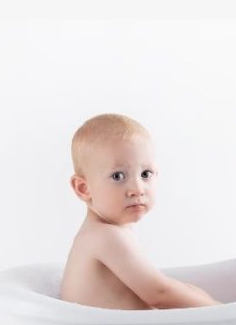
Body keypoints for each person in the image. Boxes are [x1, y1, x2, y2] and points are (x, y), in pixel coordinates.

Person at [59, 113, 221, 310]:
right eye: (118, 176)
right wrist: (223, 311)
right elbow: (159, 294)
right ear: (84, 188)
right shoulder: (104, 236)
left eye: (146, 174)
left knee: (190, 290)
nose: (137, 188)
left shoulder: (105, 232)